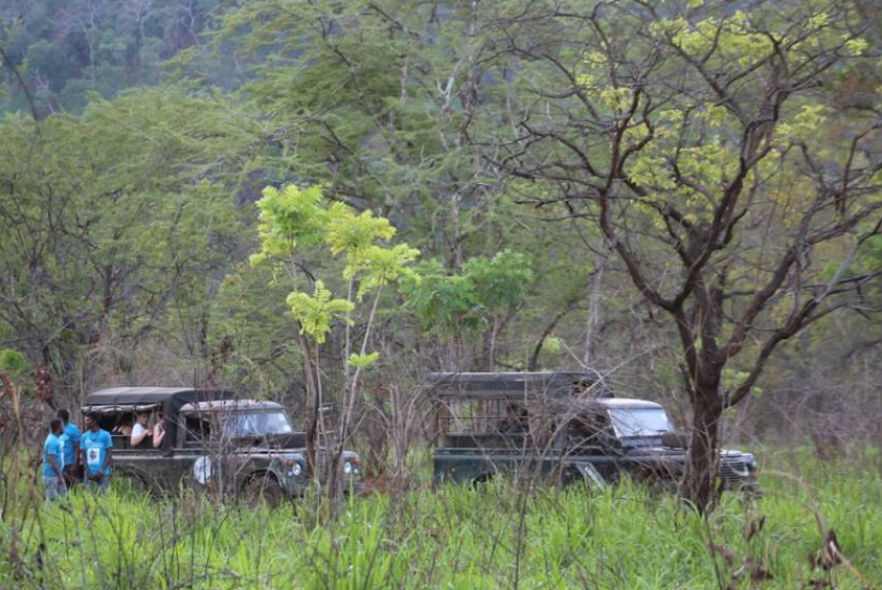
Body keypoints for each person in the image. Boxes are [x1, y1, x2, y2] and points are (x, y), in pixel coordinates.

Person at [81, 413, 113, 493]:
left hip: (103, 473)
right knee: (88, 499)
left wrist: (101, 471)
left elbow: (109, 454)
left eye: (88, 420)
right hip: (89, 473)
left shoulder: (106, 435)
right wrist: (88, 472)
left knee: (102, 497)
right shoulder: (84, 437)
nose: (86, 422)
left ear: (94, 421)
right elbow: (84, 456)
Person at [42, 418, 66, 501]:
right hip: (51, 475)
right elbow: (52, 461)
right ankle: (48, 513)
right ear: (59, 428)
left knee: (63, 496)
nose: (64, 428)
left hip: (57, 474)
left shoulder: (57, 438)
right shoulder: (52, 441)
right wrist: (59, 476)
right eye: (62, 426)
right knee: (52, 499)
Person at [57, 409, 81, 487]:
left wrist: (75, 464)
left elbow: (77, 448)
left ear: (62, 419)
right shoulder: (57, 429)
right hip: (59, 462)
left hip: (69, 463)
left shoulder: (73, 429)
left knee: (70, 484)